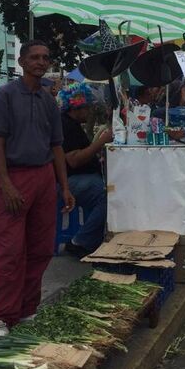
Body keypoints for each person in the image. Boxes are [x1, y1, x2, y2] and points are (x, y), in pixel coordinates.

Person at [0, 40, 75, 336]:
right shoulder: (5, 96)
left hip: (44, 177)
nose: (40, 61)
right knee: (11, 251)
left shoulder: (49, 101)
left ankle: (27, 310)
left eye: (45, 57)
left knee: (40, 249)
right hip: (15, 178)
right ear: (22, 61)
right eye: (34, 57)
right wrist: (6, 184)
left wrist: (64, 186)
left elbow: (57, 146)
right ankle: (2, 317)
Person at [60, 83, 111, 257]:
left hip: (82, 176)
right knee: (109, 196)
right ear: (77, 107)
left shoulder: (71, 124)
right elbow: (73, 160)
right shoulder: (66, 126)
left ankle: (92, 238)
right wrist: (101, 141)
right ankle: (80, 242)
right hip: (71, 181)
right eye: (88, 107)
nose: (90, 111)